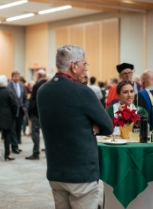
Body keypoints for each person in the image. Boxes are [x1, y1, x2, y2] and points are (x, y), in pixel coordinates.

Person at [37, 45, 113, 209]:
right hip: (81, 173)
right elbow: (108, 127)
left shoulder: (42, 91)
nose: (86, 68)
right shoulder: (83, 92)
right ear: (74, 66)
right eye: (85, 64)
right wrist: (95, 122)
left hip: (55, 172)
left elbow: (65, 118)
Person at [26, 69, 47, 160]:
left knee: (35, 132)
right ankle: (48, 152)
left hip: (36, 113)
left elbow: (33, 100)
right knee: (46, 133)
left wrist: (29, 112)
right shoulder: (49, 85)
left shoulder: (37, 86)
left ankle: (36, 152)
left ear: (38, 76)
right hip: (47, 113)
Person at [8, 71, 28, 153]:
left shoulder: (22, 86)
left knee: (18, 128)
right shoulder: (8, 86)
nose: (17, 78)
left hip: (21, 110)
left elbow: (25, 98)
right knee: (12, 129)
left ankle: (17, 144)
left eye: (18, 76)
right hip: (12, 111)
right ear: (12, 77)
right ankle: (14, 146)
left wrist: (25, 107)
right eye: (15, 76)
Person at [0, 75, 17, 161]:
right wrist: (14, 115)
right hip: (6, 116)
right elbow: (14, 104)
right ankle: (7, 155)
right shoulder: (8, 92)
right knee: (7, 136)